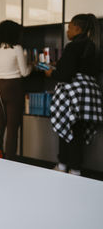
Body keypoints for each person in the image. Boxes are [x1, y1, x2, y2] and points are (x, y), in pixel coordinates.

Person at [45, 13, 103, 176]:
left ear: (77, 28)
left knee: (67, 129)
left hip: (73, 93)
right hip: (90, 93)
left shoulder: (73, 47)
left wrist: (51, 73)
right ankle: (73, 168)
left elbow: (65, 74)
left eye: (69, 27)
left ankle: (65, 167)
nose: (67, 31)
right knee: (77, 131)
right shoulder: (94, 46)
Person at [0, 20, 32, 160]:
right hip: (13, 87)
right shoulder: (16, 48)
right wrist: (32, 66)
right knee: (12, 126)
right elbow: (24, 72)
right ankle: (10, 159)